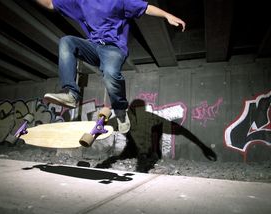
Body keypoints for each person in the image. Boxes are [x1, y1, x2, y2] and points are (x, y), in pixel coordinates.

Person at [35, 0, 186, 134]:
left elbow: (145, 7)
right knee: (67, 41)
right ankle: (71, 95)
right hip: (94, 47)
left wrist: (167, 15)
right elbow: (50, 3)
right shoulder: (80, 2)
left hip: (114, 49)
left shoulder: (119, 1)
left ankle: (120, 110)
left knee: (110, 73)